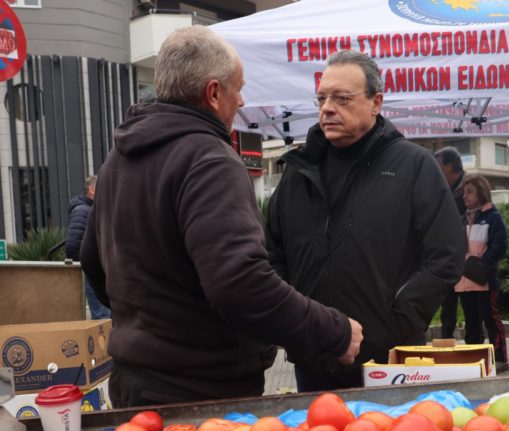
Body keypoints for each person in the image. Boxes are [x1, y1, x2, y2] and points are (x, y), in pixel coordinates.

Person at [80, 26, 363, 407]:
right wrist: (336, 332)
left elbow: (92, 260)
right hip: (199, 393)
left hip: (134, 380)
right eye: (237, 88)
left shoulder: (118, 159)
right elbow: (241, 285)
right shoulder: (209, 160)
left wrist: (146, 320)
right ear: (213, 93)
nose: (242, 100)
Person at [266, 50, 465, 392]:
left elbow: (446, 255)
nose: (327, 107)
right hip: (314, 356)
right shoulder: (299, 171)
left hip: (389, 359)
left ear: (376, 103)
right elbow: (272, 256)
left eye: (342, 98)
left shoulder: (413, 167)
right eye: (322, 98)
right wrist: (297, 320)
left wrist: (396, 319)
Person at [454, 175, 509, 372]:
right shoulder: (461, 219)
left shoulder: (492, 217)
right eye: (464, 193)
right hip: (464, 281)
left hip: (484, 279)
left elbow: (500, 245)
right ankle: (473, 358)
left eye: (470, 192)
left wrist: (482, 264)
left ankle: (500, 358)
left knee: (491, 320)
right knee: (471, 322)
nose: (465, 197)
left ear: (481, 193)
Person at [65, 175, 110, 320]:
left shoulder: (87, 209)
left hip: (94, 268)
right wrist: (87, 263)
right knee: (102, 316)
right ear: (92, 189)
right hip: (92, 269)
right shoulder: (83, 210)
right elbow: (72, 244)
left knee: (104, 314)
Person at [434, 146, 466, 340]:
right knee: (448, 304)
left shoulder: (470, 188)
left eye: (438, 166)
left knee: (474, 310)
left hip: (470, 261)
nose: (435, 170)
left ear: (451, 166)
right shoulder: (442, 190)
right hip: (447, 257)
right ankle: (446, 341)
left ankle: (475, 348)